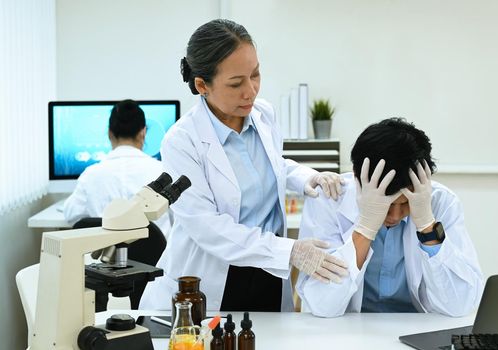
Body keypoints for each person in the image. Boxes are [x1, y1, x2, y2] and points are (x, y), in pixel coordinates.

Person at [139, 19, 347, 313]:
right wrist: (291, 250)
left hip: (268, 271)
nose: (251, 91)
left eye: (256, 74)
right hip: (215, 276)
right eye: (236, 83)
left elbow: (272, 163)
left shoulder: (263, 114)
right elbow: (206, 227)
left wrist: (306, 176)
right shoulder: (182, 141)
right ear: (202, 85)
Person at [296, 118, 484, 317]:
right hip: (346, 332)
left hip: (417, 330)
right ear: (359, 181)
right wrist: (365, 227)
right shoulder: (328, 199)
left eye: (404, 204)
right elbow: (322, 305)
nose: (394, 216)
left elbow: (459, 305)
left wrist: (427, 226)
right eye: (386, 205)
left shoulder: (442, 202)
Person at [63, 99, 171, 236]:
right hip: (155, 256)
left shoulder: (91, 175)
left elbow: (70, 215)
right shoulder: (163, 172)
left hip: (104, 256)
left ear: (109, 133)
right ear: (143, 133)